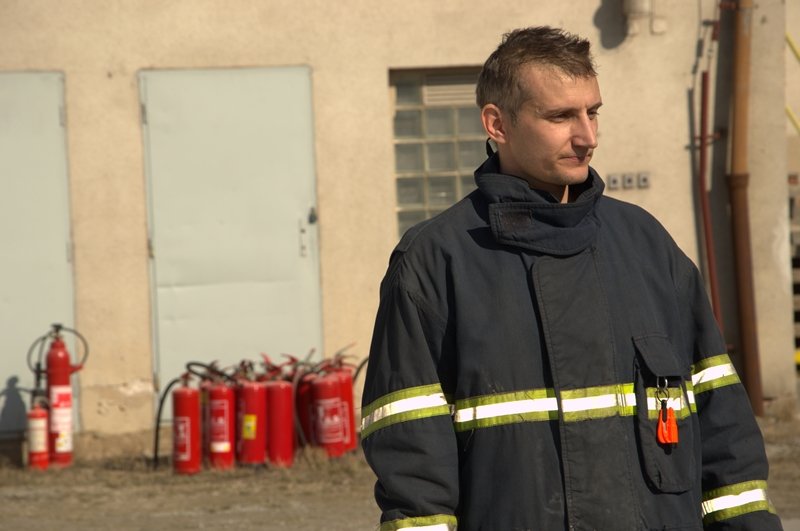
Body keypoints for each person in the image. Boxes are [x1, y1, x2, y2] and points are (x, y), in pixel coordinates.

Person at [360, 26, 783, 530]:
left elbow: (725, 438)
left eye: (592, 112)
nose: (587, 137)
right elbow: (414, 475)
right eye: (560, 117)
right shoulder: (435, 262)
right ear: (497, 124)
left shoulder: (646, 245)